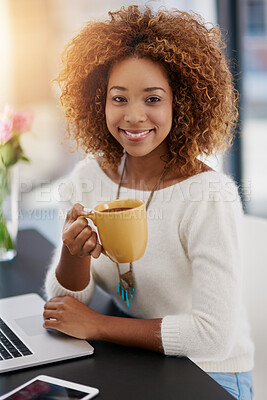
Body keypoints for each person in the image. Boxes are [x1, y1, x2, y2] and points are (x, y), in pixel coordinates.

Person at [44, 6, 254, 399]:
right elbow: (63, 312)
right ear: (98, 103)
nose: (134, 116)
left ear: (182, 102)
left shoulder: (209, 196)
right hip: (135, 359)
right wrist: (75, 256)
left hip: (210, 373)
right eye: (118, 98)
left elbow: (213, 337)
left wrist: (99, 326)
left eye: (153, 98)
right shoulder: (88, 179)